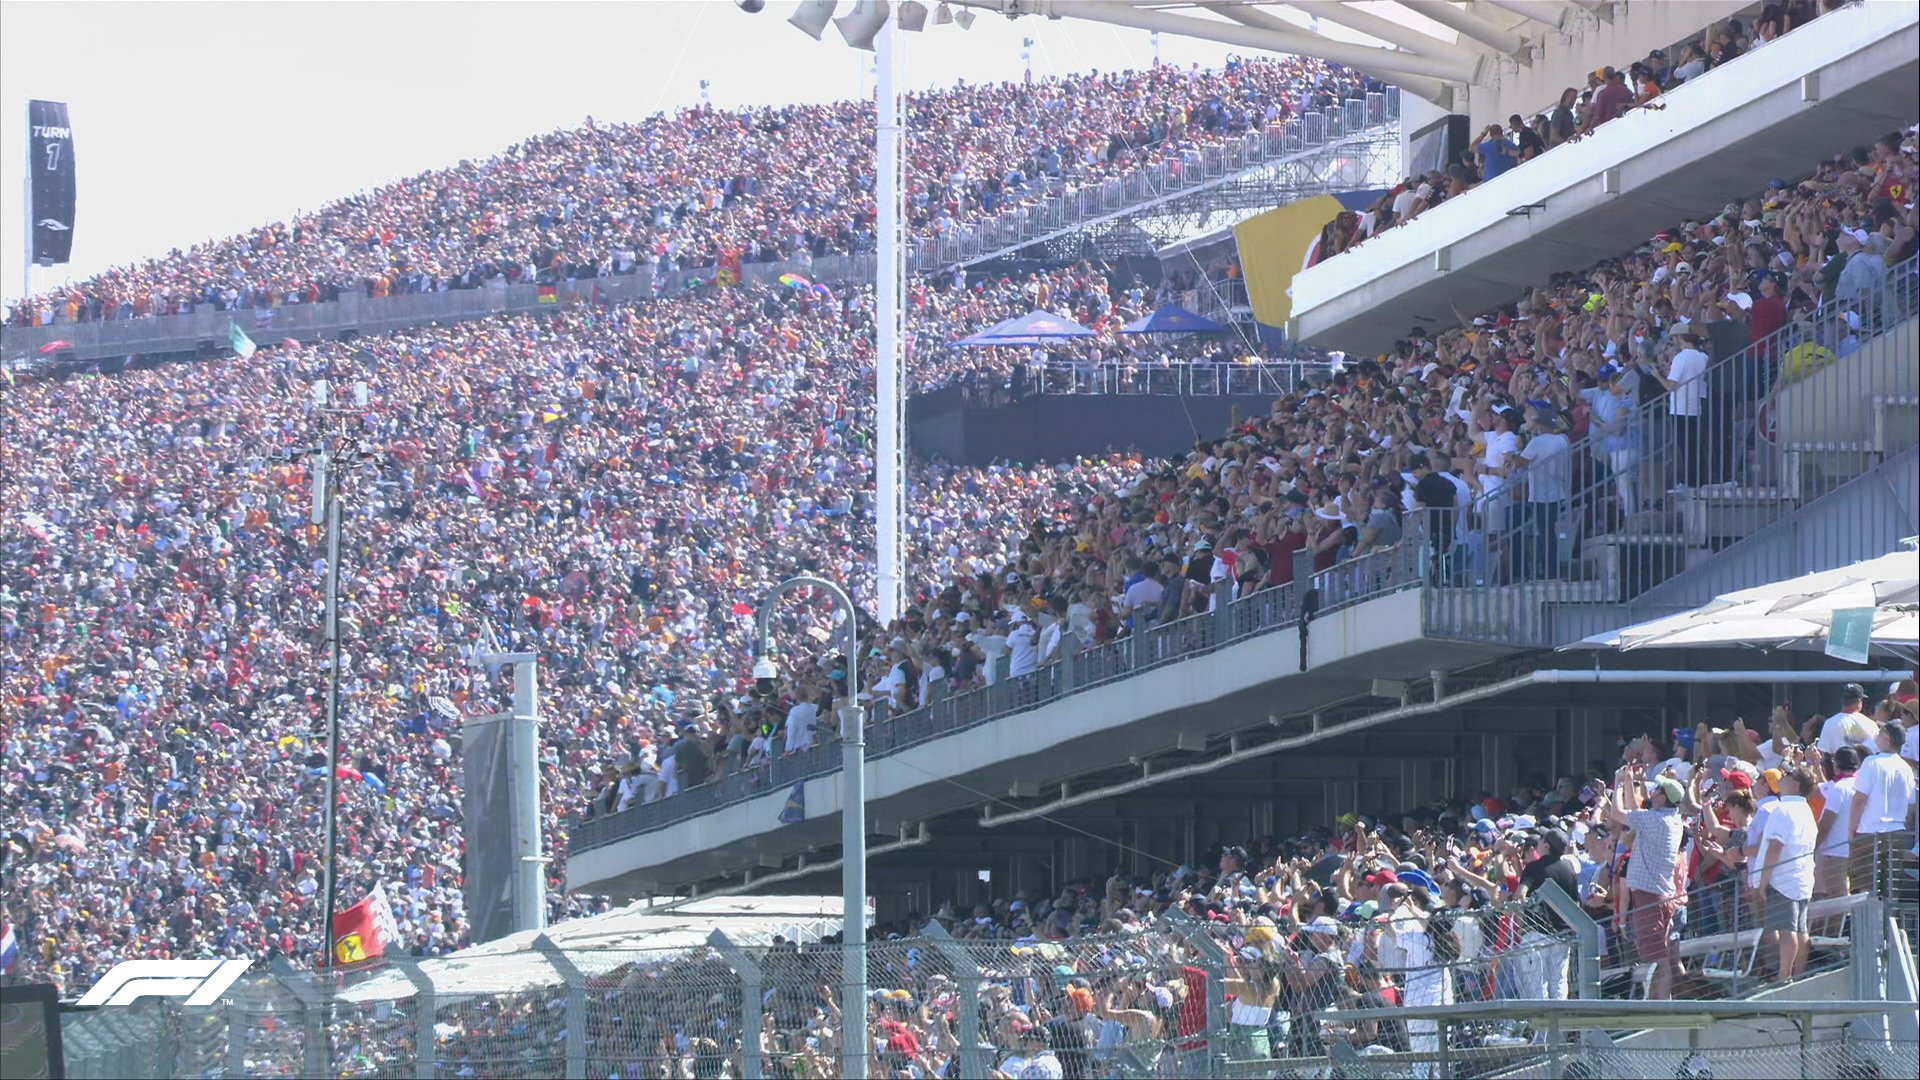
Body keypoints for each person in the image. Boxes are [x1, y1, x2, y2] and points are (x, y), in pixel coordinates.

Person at [1609, 768, 1688, 999]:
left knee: (1658, 961)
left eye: (1657, 790)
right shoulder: (1671, 819)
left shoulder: (1655, 820)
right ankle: (1657, 1004)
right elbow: (1635, 811)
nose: (1653, 792)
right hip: (1659, 897)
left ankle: (1661, 1008)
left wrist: (1619, 783)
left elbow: (1617, 812)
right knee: (1658, 959)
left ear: (1663, 797)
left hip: (1650, 900)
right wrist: (1630, 781)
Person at [1754, 765, 1818, 982]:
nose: (1783, 776)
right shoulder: (1806, 810)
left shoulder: (1783, 810)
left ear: (1796, 784)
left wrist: (1762, 881)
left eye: (1789, 775)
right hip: (1802, 879)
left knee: (1786, 930)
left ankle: (1784, 977)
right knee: (1800, 930)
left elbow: (1775, 847)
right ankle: (1797, 976)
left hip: (1782, 880)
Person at [1848, 721, 1916, 897]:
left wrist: (1851, 829)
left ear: (1886, 738)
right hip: (1896, 832)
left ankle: (1868, 925)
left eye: (1879, 733)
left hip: (1869, 831)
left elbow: (1859, 799)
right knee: (1890, 889)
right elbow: (1910, 805)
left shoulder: (1872, 762)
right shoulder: (1905, 768)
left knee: (1864, 887)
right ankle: (1887, 922)